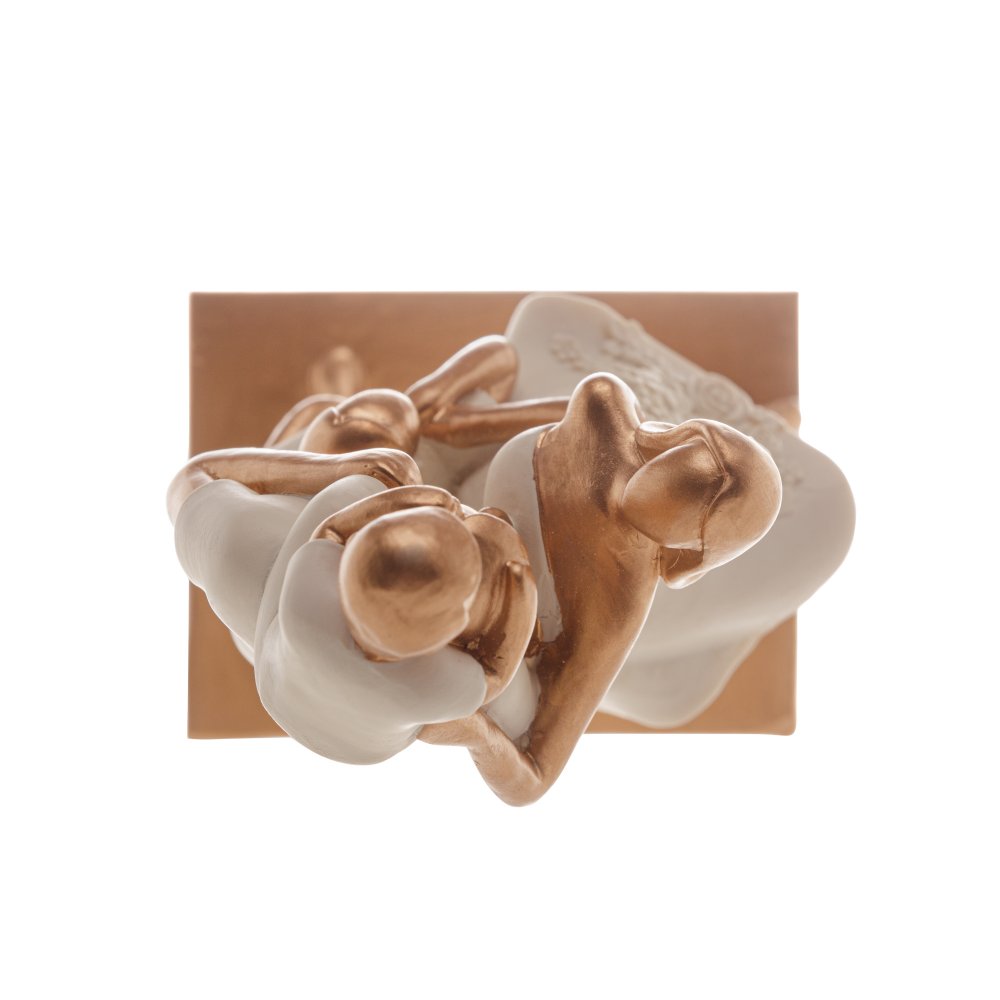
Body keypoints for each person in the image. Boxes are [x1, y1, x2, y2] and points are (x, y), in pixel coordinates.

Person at [419, 372, 783, 805]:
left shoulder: (616, 602)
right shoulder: (603, 404)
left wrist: (473, 731)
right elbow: (532, 778)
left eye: (702, 493)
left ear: (690, 552)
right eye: (693, 449)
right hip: (433, 505)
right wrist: (458, 425)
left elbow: (534, 775)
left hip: (466, 619)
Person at [168, 445, 537, 764]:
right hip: (348, 735)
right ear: (455, 622)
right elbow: (493, 674)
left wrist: (404, 494)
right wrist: (520, 595)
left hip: (282, 681)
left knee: (373, 479)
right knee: (514, 713)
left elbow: (332, 530)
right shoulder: (427, 686)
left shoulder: (307, 596)